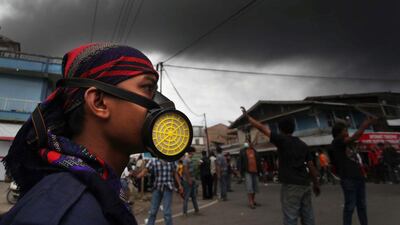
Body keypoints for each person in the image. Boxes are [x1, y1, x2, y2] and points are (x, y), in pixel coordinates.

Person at [1, 43, 165, 225]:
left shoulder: (95, 192)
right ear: (99, 102)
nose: (159, 104)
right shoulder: (69, 211)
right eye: (148, 88)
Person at [241, 107, 320, 225]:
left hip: (290, 185)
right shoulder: (303, 144)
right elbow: (311, 166)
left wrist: (248, 117)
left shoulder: (282, 139)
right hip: (305, 184)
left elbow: (262, 128)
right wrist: (316, 183)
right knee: (308, 216)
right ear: (293, 128)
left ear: (280, 129)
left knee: (290, 217)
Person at [330, 117, 376, 225]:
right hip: (348, 178)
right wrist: (365, 125)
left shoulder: (346, 144)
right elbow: (356, 136)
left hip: (358, 177)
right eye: (345, 130)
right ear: (338, 133)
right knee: (350, 206)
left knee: (362, 205)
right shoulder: (337, 142)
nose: (347, 132)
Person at [136, 158, 183, 225]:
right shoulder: (153, 161)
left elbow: (175, 173)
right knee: (153, 211)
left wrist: (180, 185)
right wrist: (137, 176)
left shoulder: (171, 161)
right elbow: (145, 171)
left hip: (168, 188)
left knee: (167, 212)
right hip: (157, 188)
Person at [238, 141, 262, 209]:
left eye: (251, 143)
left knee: (255, 187)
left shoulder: (255, 151)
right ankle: (251, 202)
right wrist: (240, 172)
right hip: (247, 171)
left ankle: (253, 200)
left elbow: (258, 161)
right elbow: (240, 162)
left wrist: (260, 171)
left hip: (255, 171)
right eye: (249, 143)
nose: (251, 144)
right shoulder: (243, 152)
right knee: (249, 187)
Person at [182, 148, 200, 215]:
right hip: (187, 180)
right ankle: (185, 212)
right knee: (187, 196)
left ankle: (196, 209)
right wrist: (189, 179)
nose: (194, 154)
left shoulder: (189, 159)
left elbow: (191, 170)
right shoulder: (186, 159)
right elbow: (186, 170)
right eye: (193, 152)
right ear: (191, 152)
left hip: (192, 179)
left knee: (193, 196)